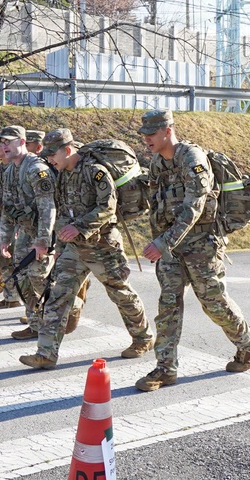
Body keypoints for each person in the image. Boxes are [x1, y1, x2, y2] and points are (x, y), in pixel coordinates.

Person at [134, 109, 250, 392]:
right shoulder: (157, 163)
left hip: (202, 244)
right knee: (168, 305)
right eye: (144, 135)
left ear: (168, 131)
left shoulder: (193, 159)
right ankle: (165, 368)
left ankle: (248, 343)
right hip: (171, 247)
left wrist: (163, 242)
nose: (147, 139)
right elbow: (157, 205)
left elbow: (195, 206)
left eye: (152, 134)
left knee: (214, 303)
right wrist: (160, 241)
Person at [19, 129, 154, 369]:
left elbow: (107, 207)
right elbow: (63, 212)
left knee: (120, 293)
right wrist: (60, 246)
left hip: (103, 247)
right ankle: (46, 353)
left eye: (53, 154)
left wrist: (79, 226)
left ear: (67, 150)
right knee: (57, 296)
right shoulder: (62, 175)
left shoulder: (96, 171)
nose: (49, 159)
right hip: (74, 249)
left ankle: (143, 338)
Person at [0, 125, 57, 339]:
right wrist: (4, 238)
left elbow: (48, 207)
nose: (4, 146)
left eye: (9, 141)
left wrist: (43, 241)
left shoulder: (36, 169)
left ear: (22, 142)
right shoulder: (9, 171)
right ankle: (36, 324)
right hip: (26, 230)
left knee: (38, 276)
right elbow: (7, 207)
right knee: (20, 276)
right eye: (2, 142)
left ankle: (61, 313)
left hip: (45, 232)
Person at [0, 132, 23, 309]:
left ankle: (29, 303)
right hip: (5, 219)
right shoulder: (2, 168)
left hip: (18, 223)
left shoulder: (15, 167)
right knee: (6, 260)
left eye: (1, 144)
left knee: (19, 261)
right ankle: (11, 297)